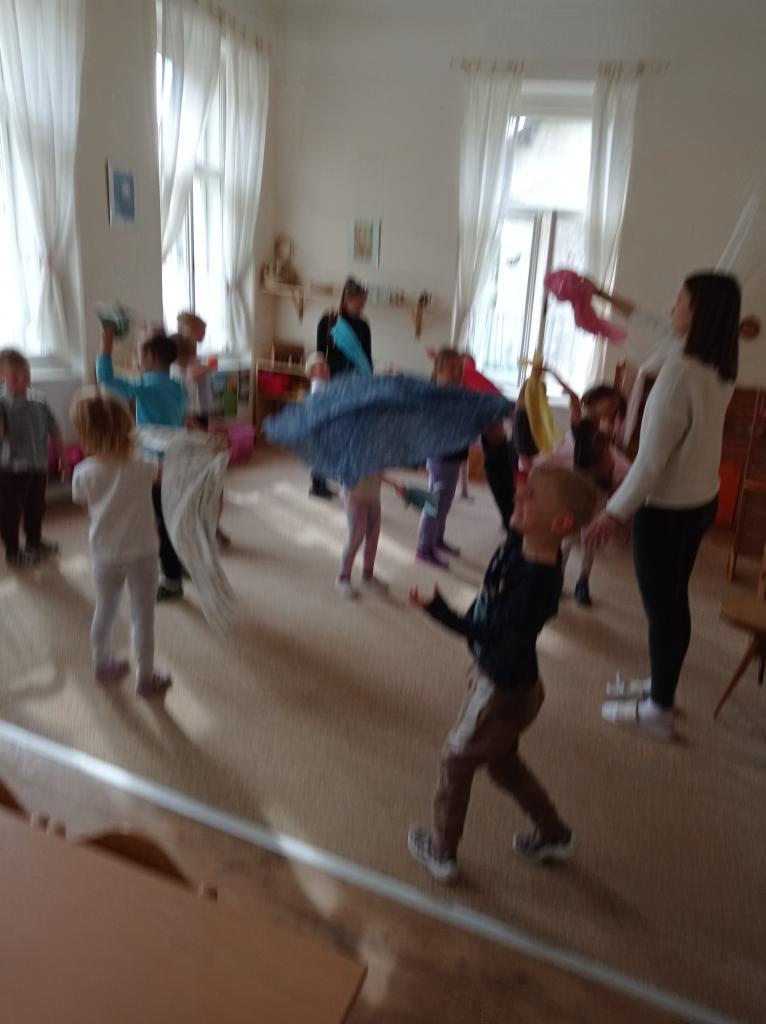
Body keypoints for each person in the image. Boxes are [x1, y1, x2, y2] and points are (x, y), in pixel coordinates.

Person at [407, 461, 598, 883]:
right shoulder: (523, 540)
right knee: (502, 764)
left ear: (561, 523)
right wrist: (494, 447)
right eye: (522, 491)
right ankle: (554, 833)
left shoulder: (537, 585)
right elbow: (504, 488)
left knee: (456, 761)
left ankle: (441, 850)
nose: (518, 498)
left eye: (530, 498)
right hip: (514, 686)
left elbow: (494, 633)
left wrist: (440, 611)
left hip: (499, 690)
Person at [583, 272, 742, 741]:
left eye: (679, 299)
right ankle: (661, 686)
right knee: (672, 604)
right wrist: (601, 293)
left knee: (664, 610)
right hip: (699, 501)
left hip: (669, 511)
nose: (671, 306)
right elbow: (652, 321)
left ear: (697, 313)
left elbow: (650, 463)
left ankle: (659, 710)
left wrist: (612, 513)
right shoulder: (717, 365)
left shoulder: (678, 375)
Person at [70, 390, 171, 697]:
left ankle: (102, 664)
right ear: (128, 427)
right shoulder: (145, 466)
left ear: (85, 433)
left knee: (105, 610)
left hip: (104, 554)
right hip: (143, 553)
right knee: (143, 618)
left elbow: (83, 504)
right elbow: (164, 478)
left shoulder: (83, 472)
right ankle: (145, 677)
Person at [96, 323, 187, 601]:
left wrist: (106, 346)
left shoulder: (147, 386)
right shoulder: (177, 386)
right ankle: (179, 564)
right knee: (172, 516)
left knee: (158, 521)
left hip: (154, 467)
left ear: (150, 357)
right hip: (176, 461)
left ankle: (172, 580)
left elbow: (107, 382)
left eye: (139, 354)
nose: (137, 359)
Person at [542, 370, 629, 606]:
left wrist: (613, 482)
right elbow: (573, 399)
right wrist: (553, 374)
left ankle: (583, 582)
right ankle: (556, 580)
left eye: (615, 407)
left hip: (599, 490)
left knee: (590, 538)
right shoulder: (581, 424)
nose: (612, 409)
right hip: (579, 489)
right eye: (609, 403)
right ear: (594, 401)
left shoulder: (604, 430)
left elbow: (607, 459)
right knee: (568, 538)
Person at [0, 348, 67, 566]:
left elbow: (54, 429)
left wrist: (62, 457)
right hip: (11, 469)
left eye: (26, 375)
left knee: (36, 507)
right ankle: (13, 550)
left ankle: (34, 542)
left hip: (38, 465)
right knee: (10, 511)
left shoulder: (39, 400)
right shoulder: (2, 404)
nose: (22, 381)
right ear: (2, 377)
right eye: (15, 377)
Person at [312, 278, 372, 499]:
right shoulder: (328, 321)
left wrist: (370, 385)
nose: (362, 307)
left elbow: (366, 359)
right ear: (347, 299)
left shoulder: (363, 326)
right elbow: (319, 355)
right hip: (331, 385)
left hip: (354, 385)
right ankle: (317, 483)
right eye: (360, 302)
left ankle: (344, 476)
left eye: (364, 303)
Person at [416, 348, 467, 568]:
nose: (457, 373)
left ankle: (437, 539)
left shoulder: (458, 392)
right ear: (438, 370)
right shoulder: (435, 394)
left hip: (455, 454)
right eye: (451, 369)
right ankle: (423, 548)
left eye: (460, 369)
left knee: (445, 502)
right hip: (440, 456)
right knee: (435, 502)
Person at [336, 471, 387, 599]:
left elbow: (380, 472)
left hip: (374, 496)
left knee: (373, 538)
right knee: (356, 537)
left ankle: (368, 574)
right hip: (355, 496)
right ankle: (343, 578)